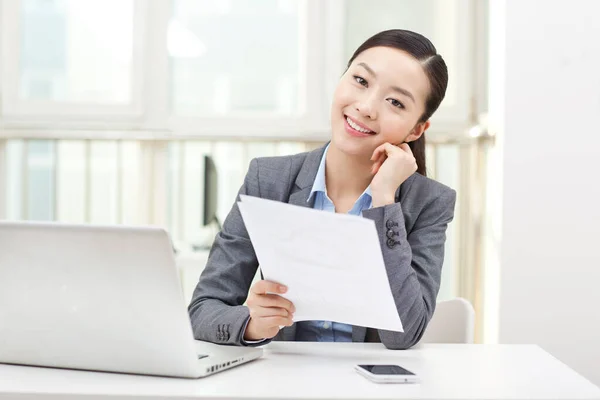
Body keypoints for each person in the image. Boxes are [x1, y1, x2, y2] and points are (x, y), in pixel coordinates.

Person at [188, 29, 456, 350]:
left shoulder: (429, 202)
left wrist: (385, 202)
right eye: (360, 81)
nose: (367, 107)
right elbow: (202, 310)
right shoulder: (269, 179)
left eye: (395, 102)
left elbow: (404, 334)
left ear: (416, 129)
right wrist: (251, 324)